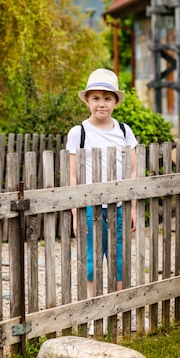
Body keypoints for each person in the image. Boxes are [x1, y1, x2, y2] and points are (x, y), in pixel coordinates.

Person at [66, 68, 138, 298]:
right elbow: (74, 177)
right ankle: (94, 310)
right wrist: (76, 214)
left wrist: (133, 208)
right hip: (90, 207)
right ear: (87, 100)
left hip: (119, 206)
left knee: (119, 260)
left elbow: (133, 171)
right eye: (96, 98)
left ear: (116, 102)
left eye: (108, 98)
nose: (101, 104)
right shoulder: (79, 133)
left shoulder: (125, 131)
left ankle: (120, 307)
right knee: (91, 259)